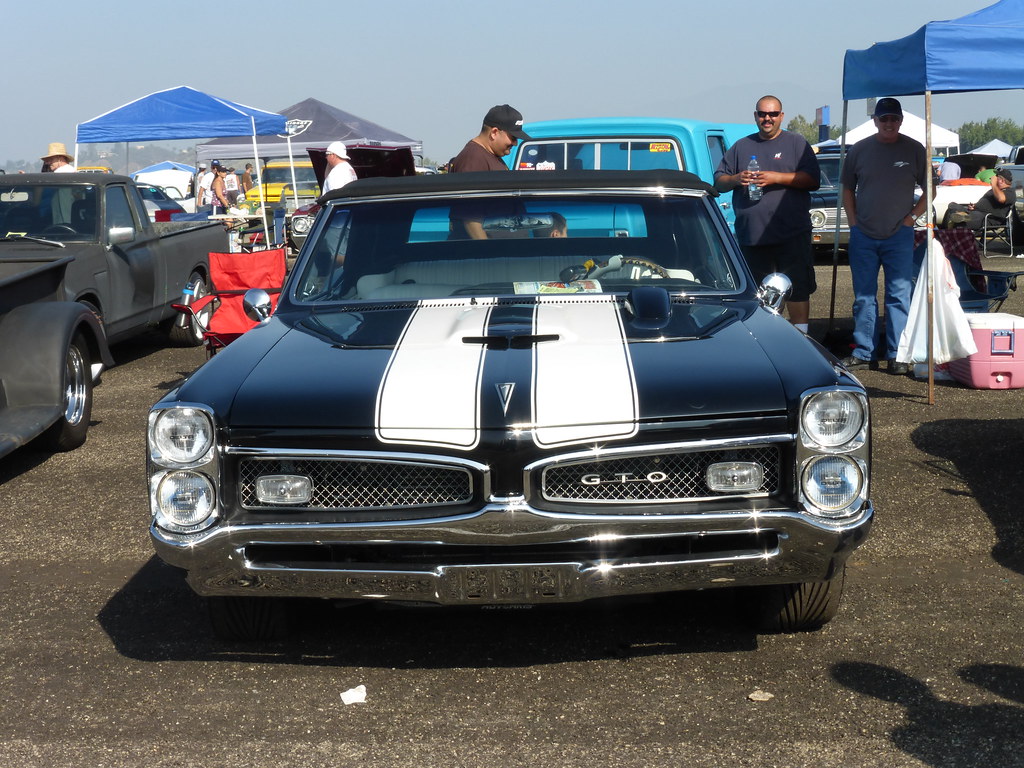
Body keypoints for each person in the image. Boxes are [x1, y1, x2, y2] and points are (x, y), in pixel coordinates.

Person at [714, 95, 820, 333]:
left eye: (772, 114)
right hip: (753, 237)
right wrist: (736, 178)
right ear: (755, 116)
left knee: (797, 289)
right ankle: (765, 338)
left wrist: (776, 177)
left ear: (781, 116)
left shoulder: (796, 143)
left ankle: (801, 338)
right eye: (763, 114)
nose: (767, 118)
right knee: (757, 294)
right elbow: (719, 182)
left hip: (791, 234)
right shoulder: (741, 146)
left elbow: (812, 180)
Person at [841, 97, 932, 375]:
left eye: (894, 118)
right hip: (864, 235)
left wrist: (911, 219)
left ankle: (897, 354)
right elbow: (846, 189)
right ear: (875, 121)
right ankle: (864, 350)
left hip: (899, 235)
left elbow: (931, 190)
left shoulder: (915, 149)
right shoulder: (859, 150)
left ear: (901, 120)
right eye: (884, 119)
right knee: (864, 296)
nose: (889, 123)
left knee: (899, 294)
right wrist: (854, 223)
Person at [449, 104, 531, 173]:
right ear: (494, 132)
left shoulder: (489, 156)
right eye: (513, 137)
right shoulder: (474, 159)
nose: (515, 143)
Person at [943, 169, 1016, 230]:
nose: (993, 178)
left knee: (962, 223)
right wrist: (975, 206)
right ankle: (960, 216)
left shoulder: (1010, 192)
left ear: (1002, 181)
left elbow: (1001, 199)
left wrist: (993, 184)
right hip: (976, 212)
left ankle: (962, 218)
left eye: (997, 177)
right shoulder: (994, 191)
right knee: (952, 205)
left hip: (987, 218)